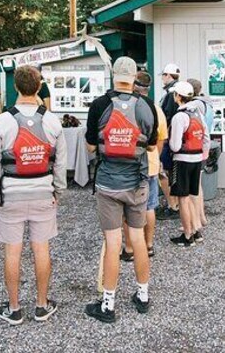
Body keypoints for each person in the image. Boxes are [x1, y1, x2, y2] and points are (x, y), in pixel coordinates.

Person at [0, 65, 67, 326]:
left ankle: (14, 308)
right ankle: (42, 305)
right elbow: (60, 162)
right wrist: (58, 190)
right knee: (41, 249)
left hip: (11, 194)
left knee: (13, 252)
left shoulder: (3, 120)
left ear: (16, 87)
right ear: (39, 86)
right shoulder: (52, 120)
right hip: (43, 192)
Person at [84, 56, 157, 323]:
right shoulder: (146, 105)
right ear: (135, 76)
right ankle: (143, 296)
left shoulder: (100, 105)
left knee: (113, 243)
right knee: (137, 239)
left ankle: (108, 304)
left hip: (108, 184)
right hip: (136, 183)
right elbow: (150, 147)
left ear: (113, 74)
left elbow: (91, 147)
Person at [121, 71, 168, 261]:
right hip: (151, 164)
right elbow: (161, 139)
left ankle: (130, 247)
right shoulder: (156, 110)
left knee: (128, 208)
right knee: (150, 206)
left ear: (134, 86)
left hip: (130, 165)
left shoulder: (127, 108)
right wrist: (154, 157)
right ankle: (148, 245)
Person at [167, 81, 208, 248]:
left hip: (182, 161)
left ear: (178, 96)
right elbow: (205, 138)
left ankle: (187, 235)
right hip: (197, 159)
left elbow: (175, 145)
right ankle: (196, 231)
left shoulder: (179, 117)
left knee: (182, 199)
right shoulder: (198, 113)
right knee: (192, 196)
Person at [187, 78, 212, 239]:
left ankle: (196, 220)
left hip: (196, 147)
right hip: (204, 147)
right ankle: (201, 216)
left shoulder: (194, 106)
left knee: (192, 188)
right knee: (198, 185)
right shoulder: (206, 103)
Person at [156, 63, 181, 221]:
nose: (162, 78)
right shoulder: (177, 91)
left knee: (163, 171)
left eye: (164, 75)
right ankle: (175, 204)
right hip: (173, 140)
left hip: (167, 139)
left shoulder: (171, 94)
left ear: (169, 76)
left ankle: (173, 206)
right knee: (170, 172)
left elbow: (167, 118)